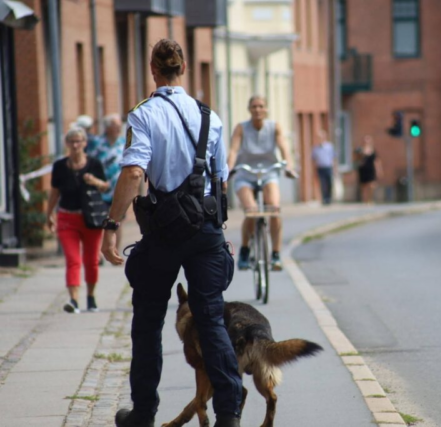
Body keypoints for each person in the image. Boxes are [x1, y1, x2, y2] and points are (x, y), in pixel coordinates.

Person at [101, 39, 243, 427]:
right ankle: (228, 414)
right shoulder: (209, 117)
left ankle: (143, 413)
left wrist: (111, 226)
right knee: (211, 319)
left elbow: (133, 173)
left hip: (162, 234)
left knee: (147, 322)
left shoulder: (144, 115)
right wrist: (219, 229)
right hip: (205, 232)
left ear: (153, 69)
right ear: (184, 69)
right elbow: (220, 180)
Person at [227, 95, 296, 272]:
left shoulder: (274, 128)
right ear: (249, 109)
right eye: (254, 106)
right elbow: (234, 150)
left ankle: (275, 253)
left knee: (274, 208)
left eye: (261, 106)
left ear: (266, 109)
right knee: (251, 211)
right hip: (245, 173)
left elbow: (284, 148)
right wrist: (228, 168)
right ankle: (244, 250)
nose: (257, 110)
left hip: (268, 172)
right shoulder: (241, 128)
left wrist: (289, 165)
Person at [46, 127, 110, 313]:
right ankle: (73, 300)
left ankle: (91, 296)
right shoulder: (59, 166)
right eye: (71, 141)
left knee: (91, 260)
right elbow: (54, 193)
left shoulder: (94, 164)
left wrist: (94, 181)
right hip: (67, 218)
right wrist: (49, 215)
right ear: (67, 144)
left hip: (91, 219)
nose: (75, 145)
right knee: (73, 259)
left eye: (78, 141)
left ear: (84, 143)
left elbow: (105, 187)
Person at [87, 113, 125, 250]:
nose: (119, 128)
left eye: (120, 125)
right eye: (115, 126)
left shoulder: (124, 144)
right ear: (108, 128)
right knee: (101, 220)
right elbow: (89, 163)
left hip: (119, 189)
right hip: (101, 189)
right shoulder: (98, 144)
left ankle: (115, 250)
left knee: (117, 221)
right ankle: (100, 251)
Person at [356, 135, 383, 204]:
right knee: (364, 185)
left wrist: (378, 170)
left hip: (371, 169)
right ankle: (364, 200)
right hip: (363, 169)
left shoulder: (373, 150)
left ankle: (370, 199)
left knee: (371, 185)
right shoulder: (360, 150)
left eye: (368, 140)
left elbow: (376, 161)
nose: (366, 142)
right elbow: (356, 159)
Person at [311, 129, 336, 205]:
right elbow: (313, 159)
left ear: (325, 137)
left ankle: (329, 198)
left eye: (321, 137)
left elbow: (333, 158)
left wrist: (334, 168)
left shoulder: (329, 146)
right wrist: (314, 170)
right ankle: (324, 199)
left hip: (328, 167)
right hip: (320, 168)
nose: (320, 139)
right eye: (318, 137)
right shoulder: (315, 148)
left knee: (329, 183)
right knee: (322, 183)